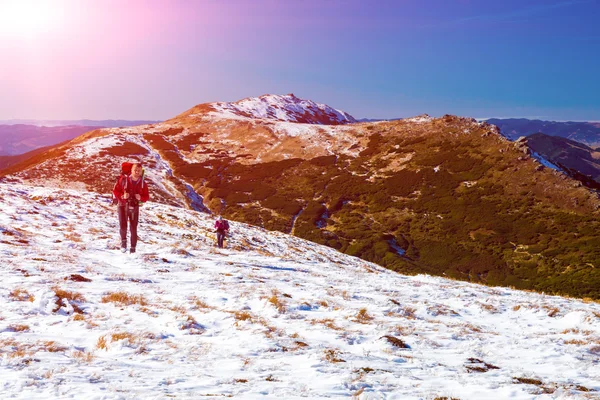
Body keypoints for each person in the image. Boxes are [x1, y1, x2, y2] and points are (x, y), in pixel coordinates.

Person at [113, 162, 149, 253]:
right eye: (135, 170)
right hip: (122, 205)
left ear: (141, 172)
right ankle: (123, 243)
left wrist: (141, 198)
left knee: (133, 228)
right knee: (123, 226)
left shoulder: (143, 183)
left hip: (134, 207)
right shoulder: (123, 180)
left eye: (139, 171)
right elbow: (115, 191)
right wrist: (122, 196)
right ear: (131, 170)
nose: (137, 172)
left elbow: (146, 197)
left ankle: (133, 248)